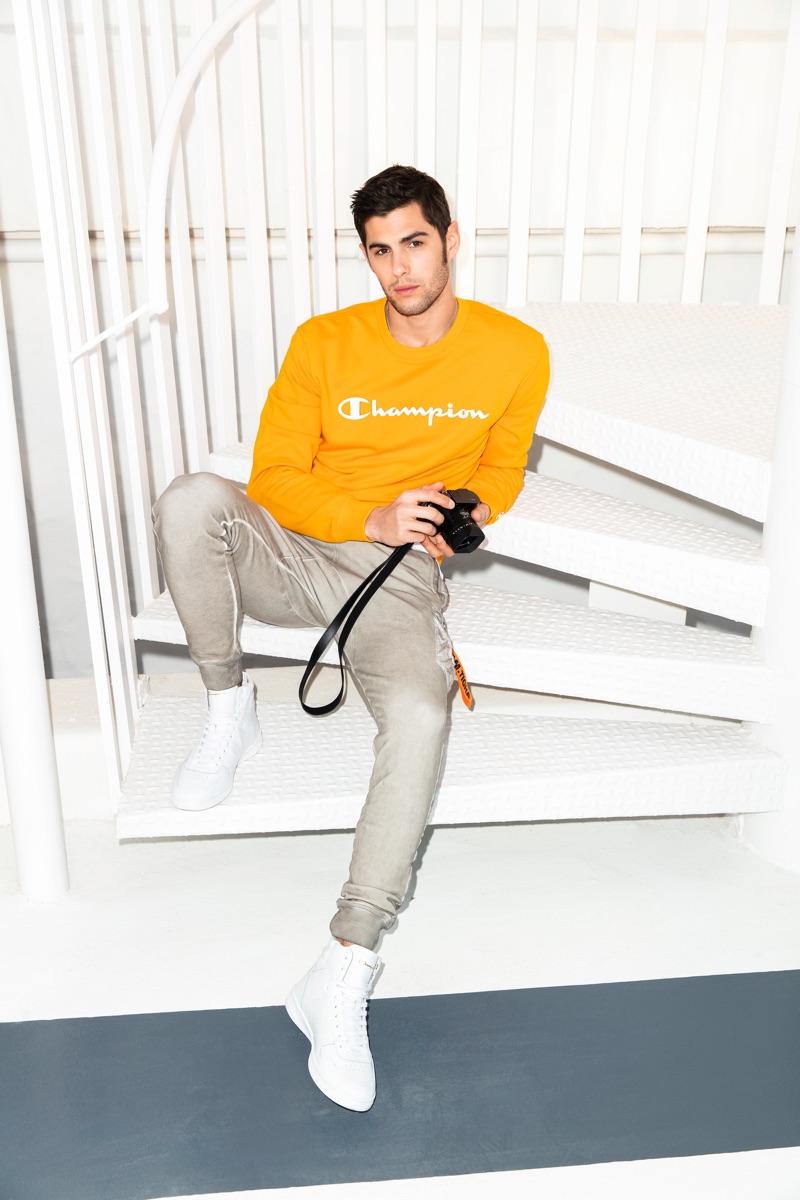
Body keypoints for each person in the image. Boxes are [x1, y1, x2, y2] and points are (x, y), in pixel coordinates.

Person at [152, 164, 549, 1112]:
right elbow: (273, 476)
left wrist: (468, 508)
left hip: (397, 577)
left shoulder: (516, 351)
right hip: (298, 548)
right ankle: (227, 705)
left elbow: (504, 465)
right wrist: (366, 513)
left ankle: (344, 964)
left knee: (420, 716)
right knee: (191, 499)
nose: (399, 267)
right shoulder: (324, 343)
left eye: (414, 243)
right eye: (380, 250)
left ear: (450, 239)